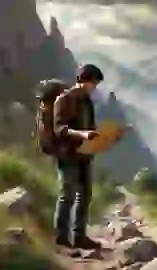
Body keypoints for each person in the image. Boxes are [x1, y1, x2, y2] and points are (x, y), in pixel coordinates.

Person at [52, 64, 104, 256]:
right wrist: (81, 134)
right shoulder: (63, 100)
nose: (95, 87)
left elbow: (90, 125)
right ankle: (62, 239)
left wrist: (104, 135)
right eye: (93, 83)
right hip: (67, 155)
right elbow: (59, 129)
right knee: (67, 195)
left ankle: (79, 236)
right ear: (83, 81)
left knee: (85, 195)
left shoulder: (86, 101)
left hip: (84, 154)